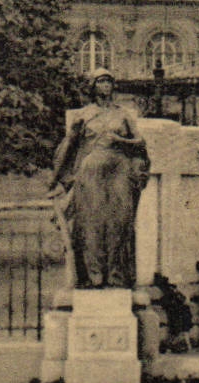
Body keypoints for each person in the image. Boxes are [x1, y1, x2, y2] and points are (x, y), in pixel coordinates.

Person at [49, 69, 150, 289]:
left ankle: (117, 276)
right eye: (101, 82)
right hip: (91, 171)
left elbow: (140, 142)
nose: (105, 86)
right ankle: (93, 276)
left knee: (120, 221)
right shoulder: (84, 115)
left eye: (108, 82)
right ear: (93, 87)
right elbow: (68, 146)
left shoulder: (123, 114)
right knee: (91, 223)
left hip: (119, 169)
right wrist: (55, 179)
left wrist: (120, 140)